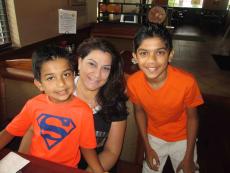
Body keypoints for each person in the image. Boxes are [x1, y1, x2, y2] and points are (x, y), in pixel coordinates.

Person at [19, 37, 128, 172]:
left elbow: (111, 151)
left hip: (97, 164)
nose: (97, 74)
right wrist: (23, 162)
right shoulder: (58, 91)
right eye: (92, 64)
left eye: (105, 68)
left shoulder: (116, 102)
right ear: (80, 62)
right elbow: (32, 130)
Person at [0, 45, 106, 173]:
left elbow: (87, 148)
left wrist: (99, 170)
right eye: (51, 77)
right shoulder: (33, 105)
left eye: (66, 74)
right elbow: (9, 132)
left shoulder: (83, 111)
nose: (61, 83)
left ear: (74, 75)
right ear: (40, 84)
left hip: (65, 168)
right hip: (35, 164)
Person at [127, 23, 204, 173]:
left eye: (160, 52)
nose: (152, 60)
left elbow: (193, 118)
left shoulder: (187, 82)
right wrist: (147, 147)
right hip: (154, 137)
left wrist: (188, 156)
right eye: (144, 53)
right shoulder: (133, 83)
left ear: (171, 54)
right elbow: (139, 112)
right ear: (135, 57)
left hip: (183, 138)